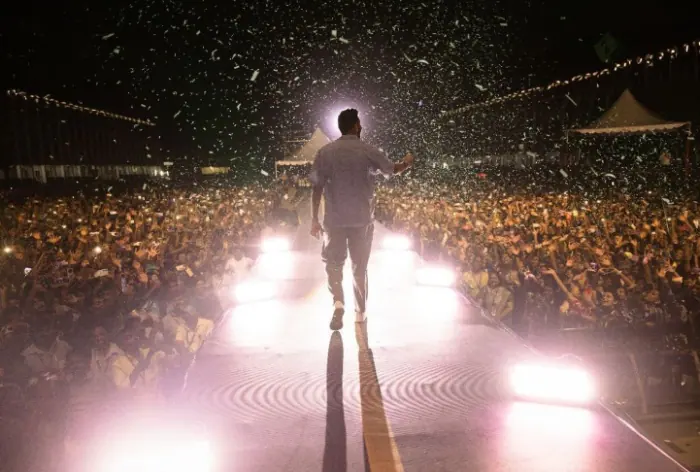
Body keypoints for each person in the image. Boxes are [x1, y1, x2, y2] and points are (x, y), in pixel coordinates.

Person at [309, 108, 414, 330]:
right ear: (356, 126)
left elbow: (316, 188)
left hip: (334, 221)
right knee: (359, 267)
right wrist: (406, 162)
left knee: (334, 264)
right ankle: (360, 311)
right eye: (360, 123)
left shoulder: (325, 152)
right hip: (361, 220)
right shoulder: (367, 150)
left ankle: (338, 303)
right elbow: (392, 169)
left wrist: (313, 219)